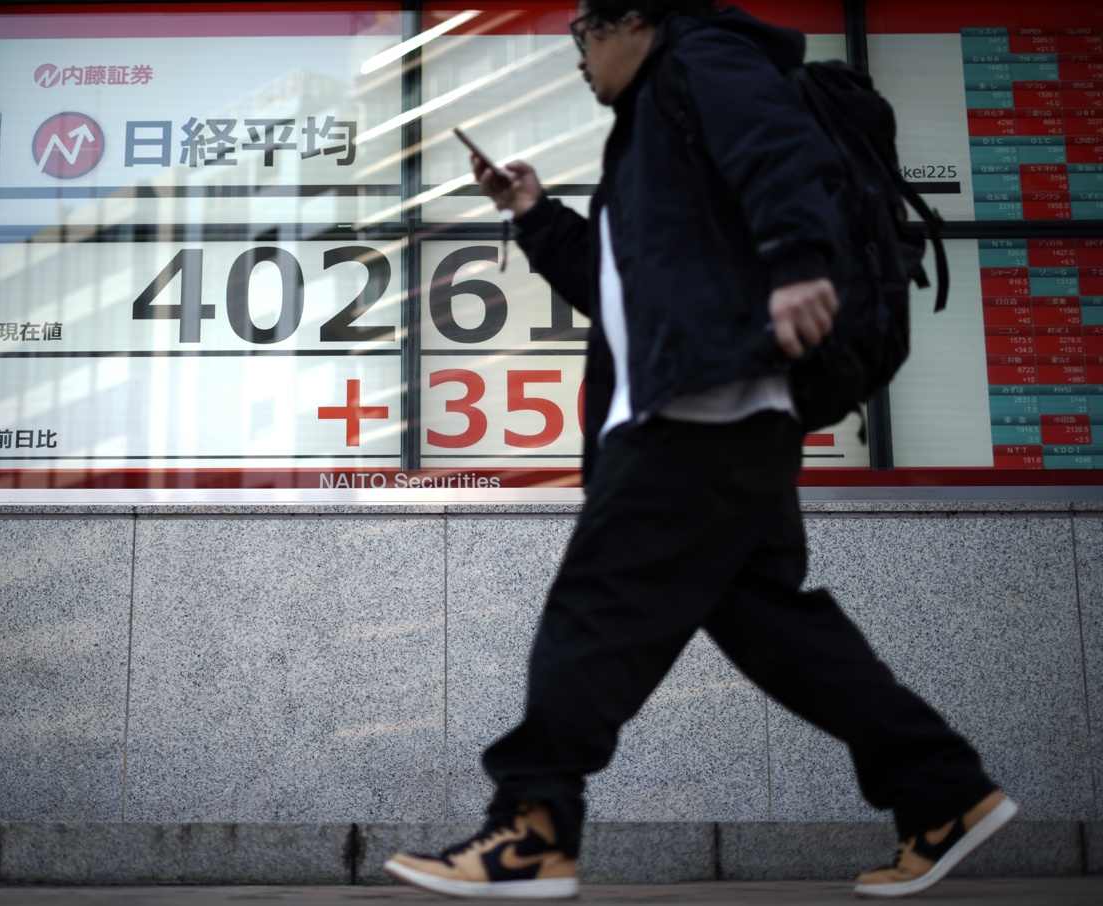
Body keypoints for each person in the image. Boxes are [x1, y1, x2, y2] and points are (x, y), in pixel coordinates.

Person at [383, 1, 1017, 900]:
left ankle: (532, 825)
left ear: (631, 20)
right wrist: (530, 212)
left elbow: (777, 148)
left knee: (596, 605)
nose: (577, 63)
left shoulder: (701, 59)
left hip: (700, 407)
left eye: (580, 39)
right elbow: (620, 291)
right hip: (731, 411)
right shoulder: (657, 134)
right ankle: (943, 791)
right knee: (776, 628)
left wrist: (800, 258)